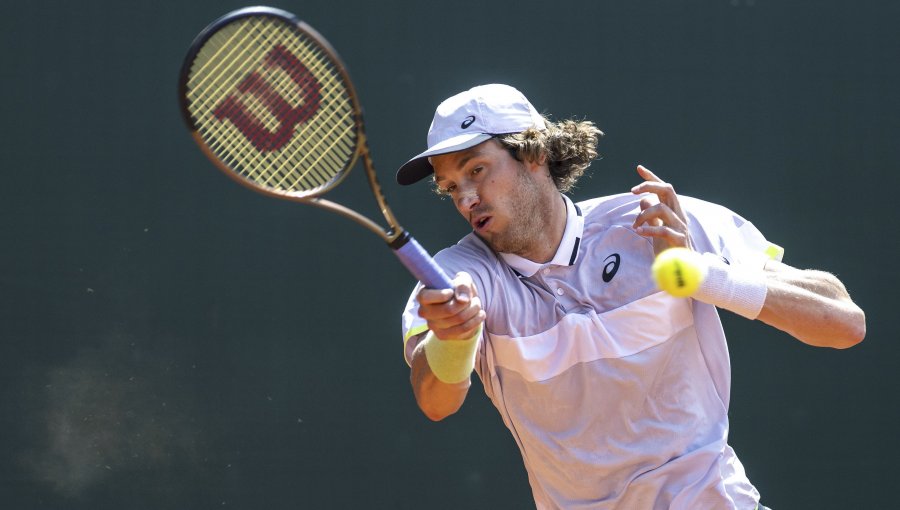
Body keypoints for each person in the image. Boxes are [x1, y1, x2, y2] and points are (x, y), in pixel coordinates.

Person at [395, 84, 865, 509]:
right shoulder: (456, 276)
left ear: (533, 153)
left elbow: (844, 322)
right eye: (452, 187)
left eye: (477, 170)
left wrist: (702, 274)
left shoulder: (660, 222)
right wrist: (454, 339)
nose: (467, 198)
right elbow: (435, 400)